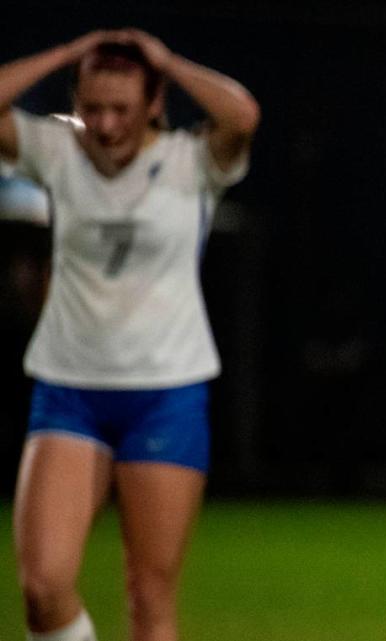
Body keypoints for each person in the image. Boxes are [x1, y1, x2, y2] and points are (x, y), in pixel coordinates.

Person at [0, 29, 259, 641]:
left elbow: (242, 114)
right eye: (92, 108)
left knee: (149, 596)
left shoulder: (192, 161)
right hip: (70, 388)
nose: (106, 124)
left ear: (153, 103)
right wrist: (67, 53)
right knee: (43, 585)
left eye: (121, 108)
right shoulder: (57, 149)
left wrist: (166, 59)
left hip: (166, 391)